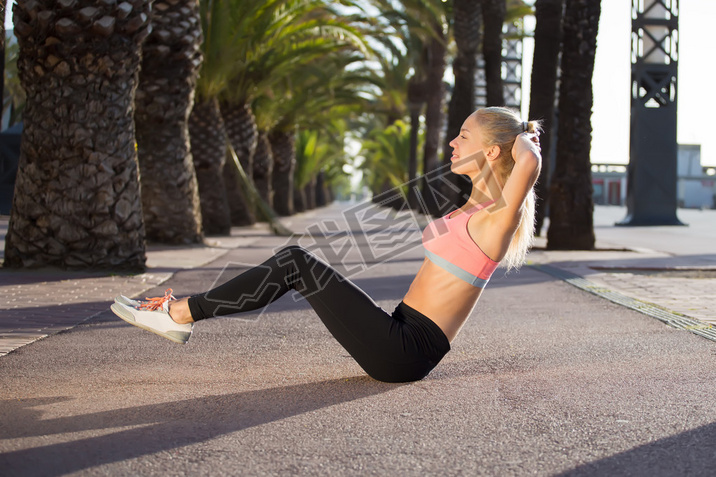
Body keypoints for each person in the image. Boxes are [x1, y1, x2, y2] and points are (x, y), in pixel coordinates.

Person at [111, 107, 542, 383]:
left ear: (491, 152)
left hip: (406, 350)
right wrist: (511, 136)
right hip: (400, 331)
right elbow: (508, 165)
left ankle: (182, 312)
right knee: (297, 262)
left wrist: (523, 137)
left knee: (295, 262)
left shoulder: (499, 217)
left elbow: (530, 163)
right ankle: (183, 313)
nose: (452, 142)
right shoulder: (474, 204)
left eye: (464, 135)